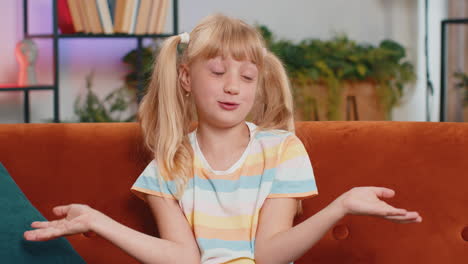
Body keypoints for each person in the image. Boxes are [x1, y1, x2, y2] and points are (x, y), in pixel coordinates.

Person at [23, 13, 422, 264]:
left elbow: (267, 256)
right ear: (185, 78)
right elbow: (183, 258)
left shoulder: (282, 150)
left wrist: (341, 206)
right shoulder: (168, 163)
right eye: (217, 72)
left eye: (247, 77)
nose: (233, 87)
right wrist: (97, 222)